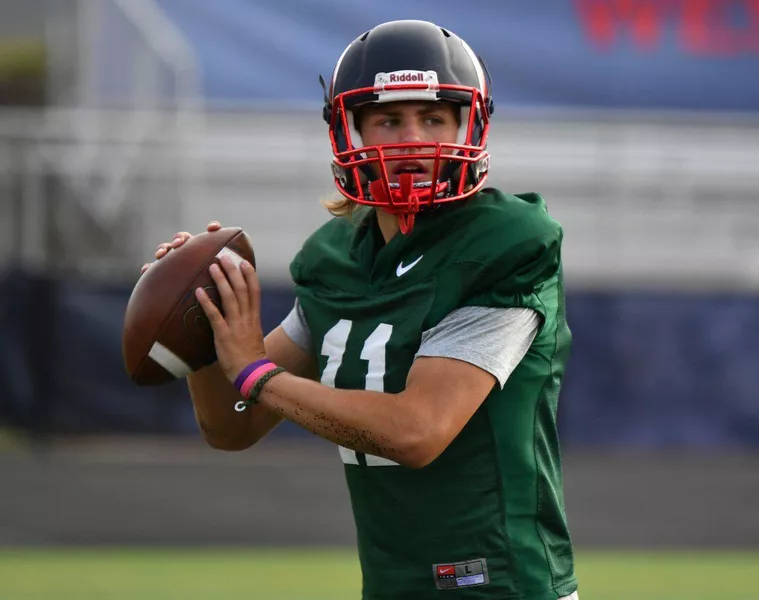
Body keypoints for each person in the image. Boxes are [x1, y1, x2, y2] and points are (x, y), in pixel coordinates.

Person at [143, 19, 578, 600]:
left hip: (503, 585)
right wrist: (203, 319)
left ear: (468, 124)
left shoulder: (506, 245)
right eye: (388, 120)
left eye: (433, 118)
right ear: (352, 131)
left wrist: (254, 371)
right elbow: (233, 424)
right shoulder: (336, 259)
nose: (412, 139)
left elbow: (418, 432)